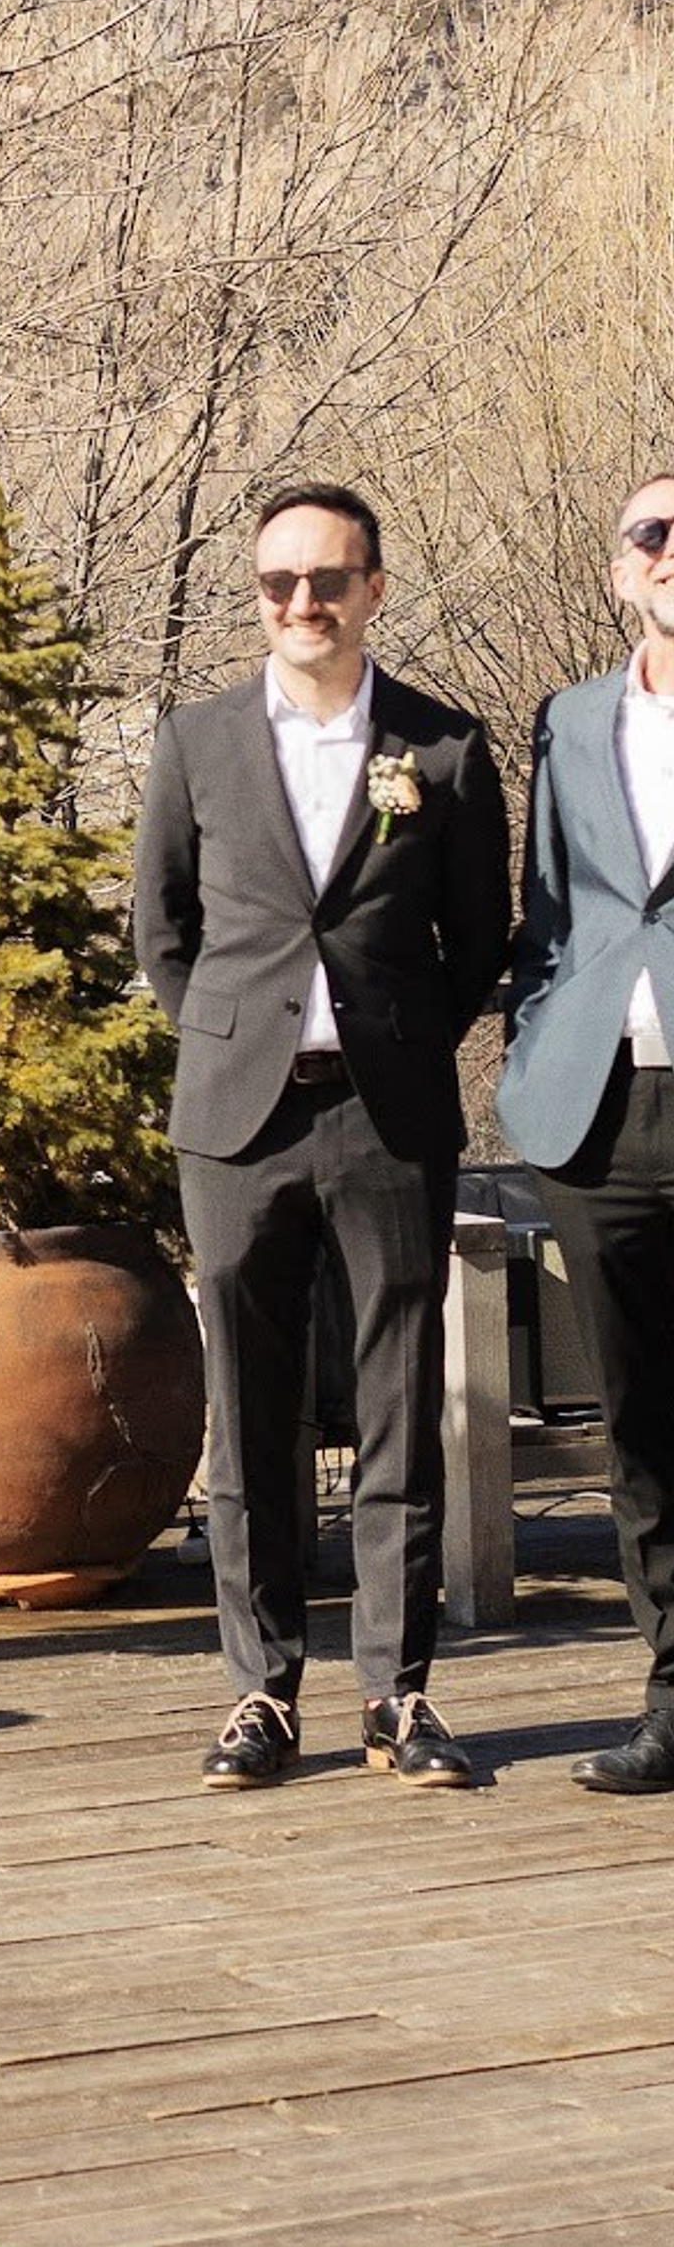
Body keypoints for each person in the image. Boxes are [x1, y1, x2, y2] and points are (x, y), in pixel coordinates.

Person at [133, 484, 510, 1791]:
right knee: (251, 1413)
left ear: (375, 590)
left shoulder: (446, 751)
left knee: (405, 1411)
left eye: (329, 580)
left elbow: (477, 943)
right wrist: (241, 1038)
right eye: (278, 583)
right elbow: (162, 935)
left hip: (387, 1117)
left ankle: (399, 1696)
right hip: (237, 1123)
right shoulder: (195, 742)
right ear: (258, 596)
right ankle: (262, 1693)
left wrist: (387, 1038)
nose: (304, 603)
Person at [500, 474, 674, 1792]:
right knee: (645, 1428)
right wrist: (535, 1049)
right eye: (653, 535)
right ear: (620, 570)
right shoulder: (571, 720)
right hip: (601, 1112)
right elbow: (547, 912)